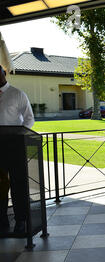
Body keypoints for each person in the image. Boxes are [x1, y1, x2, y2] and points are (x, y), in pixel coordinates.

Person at [0, 64, 34, 233]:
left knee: (18, 183)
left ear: (3, 73)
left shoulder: (17, 94)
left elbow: (29, 119)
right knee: (0, 185)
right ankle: (2, 220)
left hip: (15, 145)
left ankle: (21, 220)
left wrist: (21, 136)